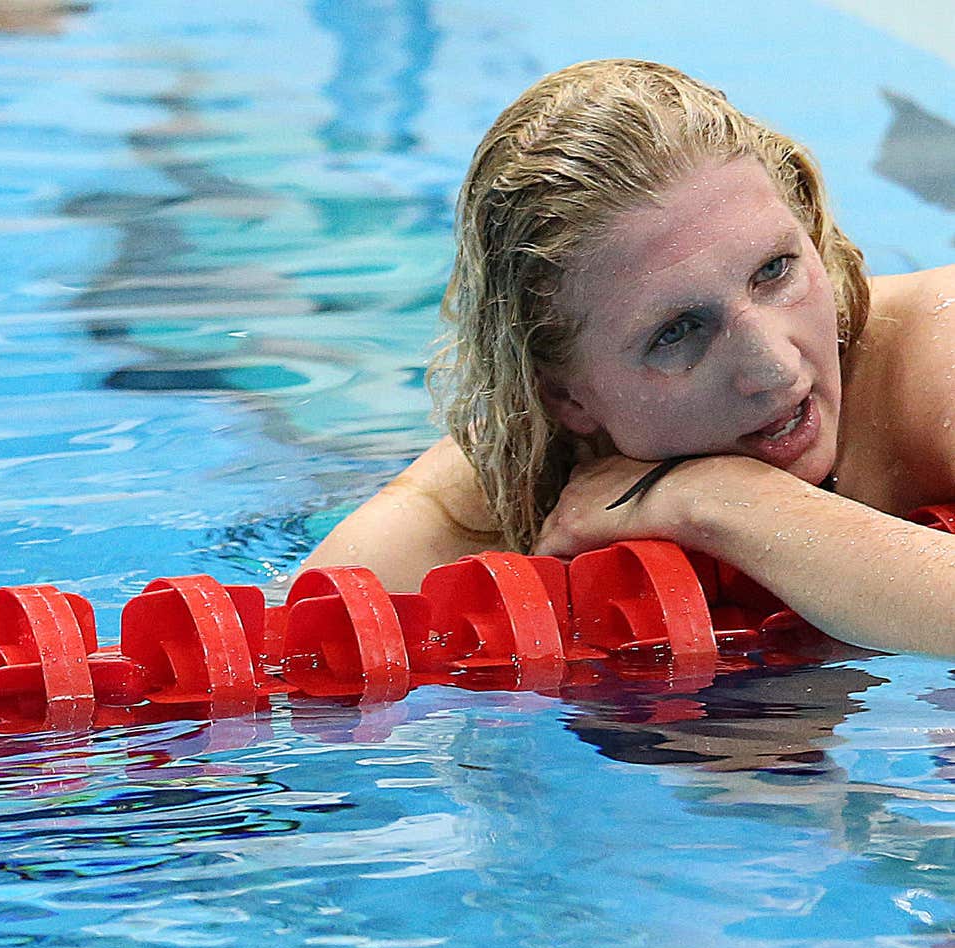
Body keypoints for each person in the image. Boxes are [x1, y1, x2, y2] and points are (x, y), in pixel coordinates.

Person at [308, 59, 955, 658]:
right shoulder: (452, 530)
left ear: (809, 226)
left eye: (775, 270)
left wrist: (724, 503)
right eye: (677, 332)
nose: (775, 369)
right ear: (566, 396)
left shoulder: (934, 351)